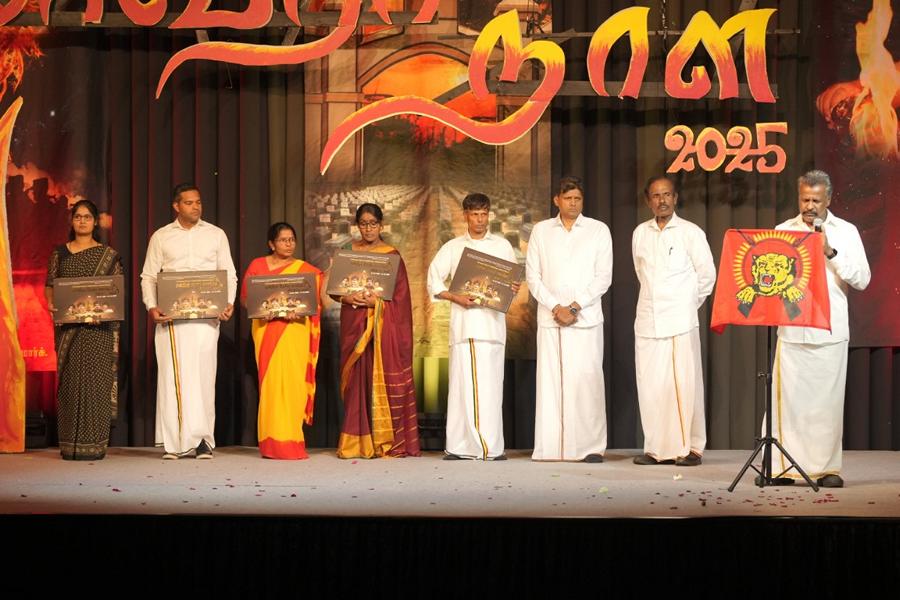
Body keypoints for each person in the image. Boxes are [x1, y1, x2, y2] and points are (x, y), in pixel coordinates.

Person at [769, 170, 870, 488]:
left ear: (829, 199)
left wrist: (829, 252)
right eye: (804, 199)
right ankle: (782, 468)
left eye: (815, 200)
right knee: (790, 405)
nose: (809, 206)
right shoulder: (783, 230)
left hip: (830, 331)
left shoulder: (846, 232)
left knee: (826, 407)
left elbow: (862, 279)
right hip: (792, 329)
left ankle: (826, 470)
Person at [140, 183, 237, 460]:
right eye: (189, 203)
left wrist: (228, 303)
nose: (196, 207)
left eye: (198, 202)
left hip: (206, 318)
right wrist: (151, 306)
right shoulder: (162, 236)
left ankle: (203, 440)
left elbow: (229, 273)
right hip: (172, 318)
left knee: (203, 376)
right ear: (176, 206)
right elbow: (148, 276)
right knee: (173, 377)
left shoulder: (215, 234)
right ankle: (174, 443)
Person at [526, 176, 612, 462]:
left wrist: (574, 307)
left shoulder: (598, 230)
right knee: (551, 384)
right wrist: (556, 307)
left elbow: (603, 277)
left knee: (587, 382)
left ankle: (591, 448)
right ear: (557, 200)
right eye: (568, 198)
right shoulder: (541, 231)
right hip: (550, 319)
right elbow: (533, 277)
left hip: (585, 319)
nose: (573, 203)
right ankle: (551, 448)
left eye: (577, 198)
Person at [427, 193, 519, 461]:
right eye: (475, 214)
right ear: (465, 215)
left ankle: (491, 447)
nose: (480, 219)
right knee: (461, 388)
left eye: (484, 214)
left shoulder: (502, 246)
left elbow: (511, 283)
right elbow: (433, 280)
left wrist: (513, 287)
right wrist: (454, 297)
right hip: (465, 327)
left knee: (491, 388)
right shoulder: (453, 247)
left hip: (493, 327)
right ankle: (459, 446)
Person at [631, 176, 716, 467]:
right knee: (651, 387)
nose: (662, 200)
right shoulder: (640, 233)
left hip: (680, 320)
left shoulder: (690, 232)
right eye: (656, 196)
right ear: (648, 201)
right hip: (648, 320)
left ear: (676, 198)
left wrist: (686, 305)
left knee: (685, 386)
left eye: (667, 194)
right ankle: (656, 448)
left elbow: (707, 276)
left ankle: (691, 448)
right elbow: (641, 273)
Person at [333, 203, 420, 459]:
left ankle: (382, 441)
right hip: (354, 325)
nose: (368, 228)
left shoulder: (391, 255)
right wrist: (349, 298)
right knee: (356, 382)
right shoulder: (348, 252)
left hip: (381, 329)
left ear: (381, 225)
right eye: (363, 224)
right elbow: (336, 290)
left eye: (373, 223)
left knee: (377, 378)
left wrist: (377, 303)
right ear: (357, 226)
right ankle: (356, 443)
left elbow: (401, 299)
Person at [45, 200, 123, 460]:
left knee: (95, 384)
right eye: (78, 217)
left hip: (98, 331)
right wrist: (51, 304)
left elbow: (114, 291)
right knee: (69, 384)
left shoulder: (108, 255)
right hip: (68, 330)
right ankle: (69, 445)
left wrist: (104, 312)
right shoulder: (60, 253)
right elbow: (50, 286)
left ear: (95, 222)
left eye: (87, 217)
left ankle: (95, 445)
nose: (82, 221)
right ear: (72, 221)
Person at [241, 222, 322, 459]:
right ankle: (271, 443)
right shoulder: (257, 265)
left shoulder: (305, 270)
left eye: (292, 240)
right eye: (283, 240)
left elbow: (316, 301)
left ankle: (291, 441)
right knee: (271, 386)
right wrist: (260, 309)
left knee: (293, 384)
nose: (289, 244)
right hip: (266, 329)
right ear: (271, 244)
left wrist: (302, 309)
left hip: (295, 330)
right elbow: (245, 298)